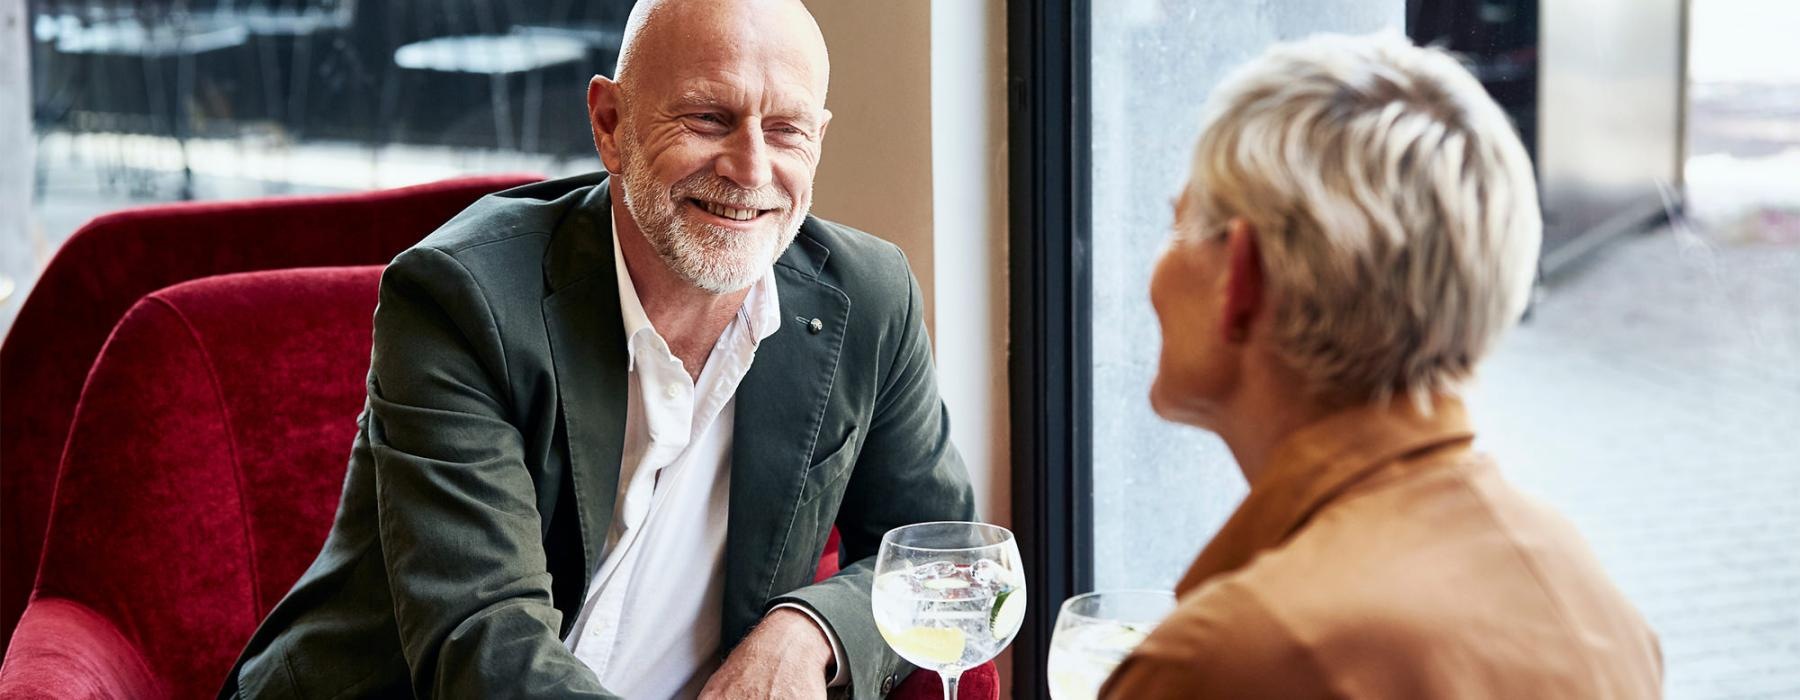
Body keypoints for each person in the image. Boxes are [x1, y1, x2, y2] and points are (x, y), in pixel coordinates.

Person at [219, 0, 974, 697]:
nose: (750, 168)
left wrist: (811, 631)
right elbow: (486, 644)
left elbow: (945, 558)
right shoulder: (463, 299)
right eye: (709, 118)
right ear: (611, 123)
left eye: (785, 130)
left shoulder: (870, 297)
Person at [1101, 32, 1662, 698]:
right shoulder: (1587, 596)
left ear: (1241, 278)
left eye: (1177, 229)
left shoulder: (1228, 659)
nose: (1155, 272)